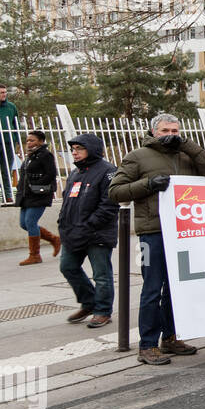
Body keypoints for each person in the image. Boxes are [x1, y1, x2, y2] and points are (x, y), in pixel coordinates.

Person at [108, 113, 205, 365]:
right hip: (153, 231)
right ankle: (147, 345)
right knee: (152, 288)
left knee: (175, 289)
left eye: (175, 130)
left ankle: (169, 337)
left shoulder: (185, 154)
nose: (171, 134)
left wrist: (188, 145)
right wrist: (148, 184)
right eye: (165, 130)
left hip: (183, 231)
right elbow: (115, 192)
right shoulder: (137, 157)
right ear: (153, 132)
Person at [57, 133, 119, 328]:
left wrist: (89, 225)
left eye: (79, 149)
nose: (74, 153)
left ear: (91, 149)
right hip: (73, 233)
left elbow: (109, 205)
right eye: (73, 149)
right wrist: (63, 223)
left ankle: (102, 311)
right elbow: (68, 201)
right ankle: (89, 302)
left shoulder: (108, 171)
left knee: (101, 274)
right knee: (67, 267)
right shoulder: (75, 173)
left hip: (96, 234)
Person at [15, 129, 60, 265]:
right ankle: (54, 239)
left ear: (41, 141)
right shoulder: (30, 156)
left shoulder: (46, 155)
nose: (29, 143)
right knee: (24, 224)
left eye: (32, 140)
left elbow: (51, 174)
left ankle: (35, 255)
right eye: (27, 140)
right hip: (26, 195)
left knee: (30, 222)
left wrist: (36, 185)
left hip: (39, 194)